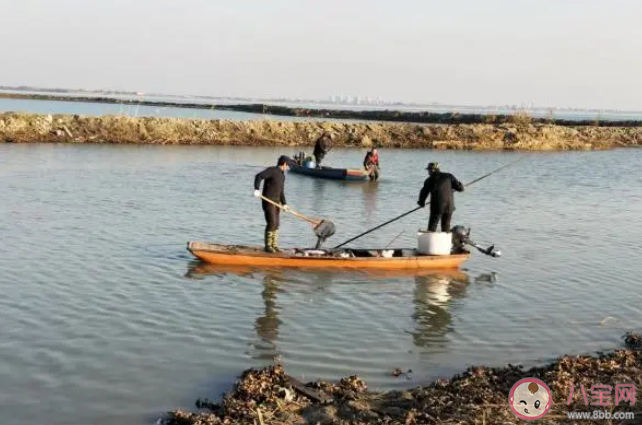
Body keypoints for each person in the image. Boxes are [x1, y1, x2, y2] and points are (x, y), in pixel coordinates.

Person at [254, 156, 291, 253]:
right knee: (272, 223)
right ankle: (268, 246)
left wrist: (285, 204)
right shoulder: (272, 170)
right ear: (284, 164)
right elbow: (259, 176)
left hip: (277, 202)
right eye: (288, 165)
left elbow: (281, 191)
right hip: (268, 201)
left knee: (277, 224)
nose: (289, 168)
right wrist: (257, 189)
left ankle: (274, 245)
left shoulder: (282, 175)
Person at [417, 162, 464, 232]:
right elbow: (460, 189)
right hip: (449, 206)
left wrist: (421, 203)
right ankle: (445, 241)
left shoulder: (429, 180)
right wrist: (461, 185)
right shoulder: (449, 176)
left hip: (437, 207)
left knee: (432, 227)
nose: (428, 172)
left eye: (429, 170)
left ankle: (430, 241)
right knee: (446, 227)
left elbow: (423, 193)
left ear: (433, 170)